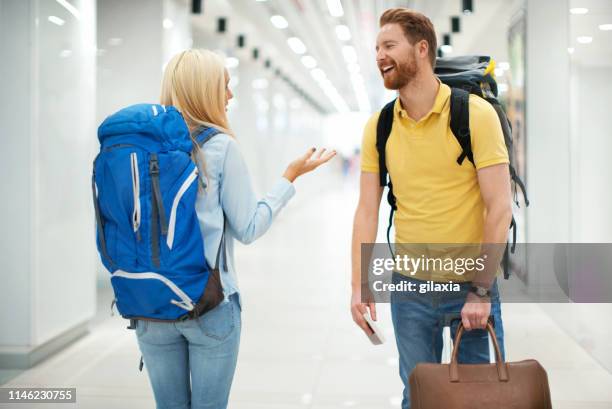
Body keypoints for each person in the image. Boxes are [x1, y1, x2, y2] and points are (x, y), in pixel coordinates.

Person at [135, 49, 336, 409]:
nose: (230, 96)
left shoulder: (140, 147)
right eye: (224, 86)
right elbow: (248, 227)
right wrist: (289, 178)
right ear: (205, 91)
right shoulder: (220, 147)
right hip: (209, 303)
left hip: (149, 304)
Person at [350, 8, 512, 408]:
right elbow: (367, 210)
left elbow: (499, 207)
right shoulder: (380, 126)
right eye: (376, 48)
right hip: (409, 289)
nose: (379, 56)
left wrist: (481, 291)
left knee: (477, 398)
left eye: (389, 45)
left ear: (421, 49)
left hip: (468, 286)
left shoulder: (475, 116)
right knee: (420, 396)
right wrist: (360, 284)